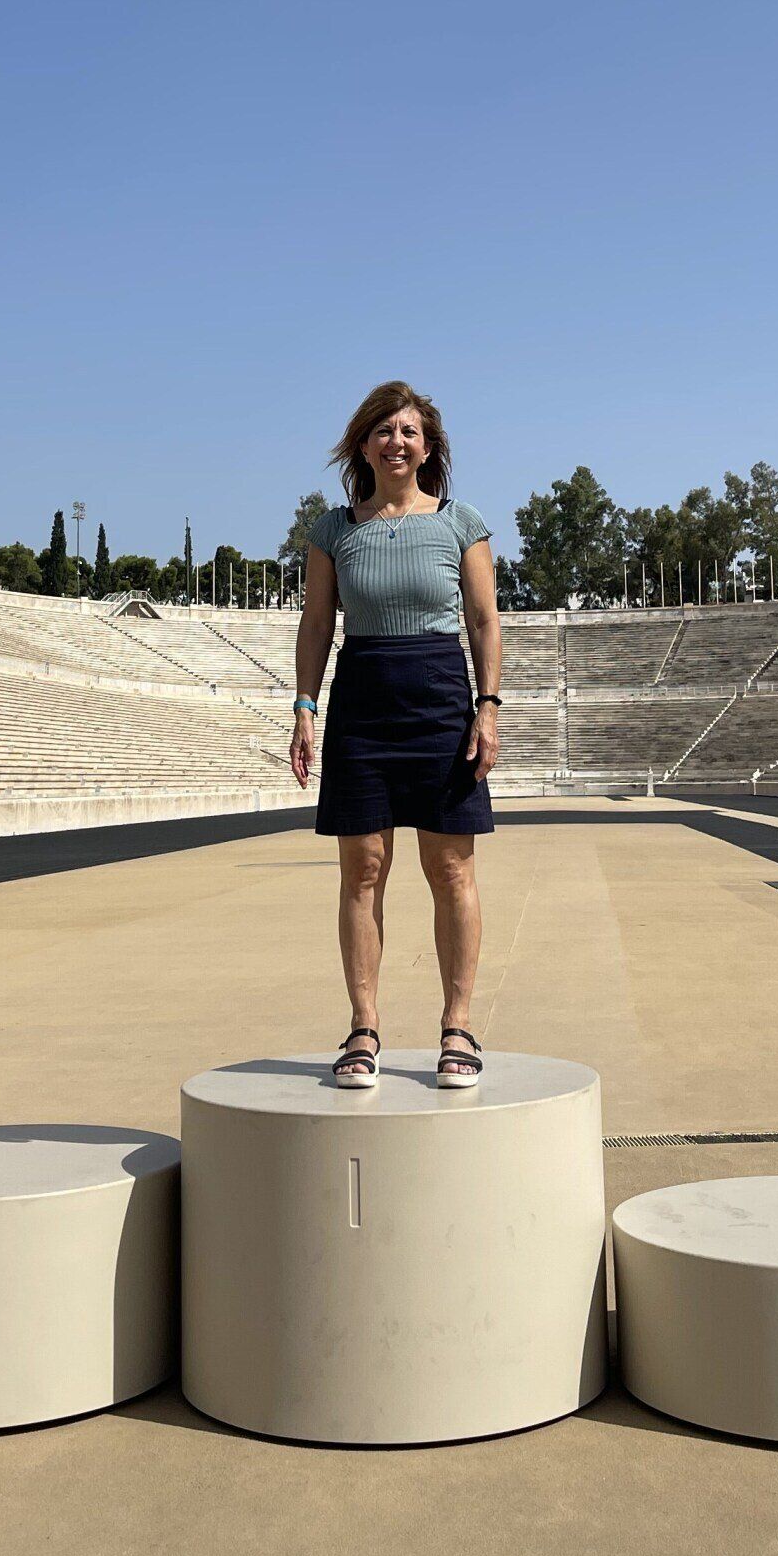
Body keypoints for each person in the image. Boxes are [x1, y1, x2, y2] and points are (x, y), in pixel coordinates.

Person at [289, 381, 501, 1092]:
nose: (396, 441)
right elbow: (318, 625)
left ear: (428, 446)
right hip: (363, 703)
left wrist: (488, 705)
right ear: (363, 445)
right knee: (364, 870)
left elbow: (483, 623)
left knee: (451, 871)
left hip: (442, 700)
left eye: (409, 431)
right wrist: (304, 707)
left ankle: (459, 1027)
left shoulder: (460, 523)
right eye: (383, 430)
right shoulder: (333, 531)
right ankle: (363, 1026)